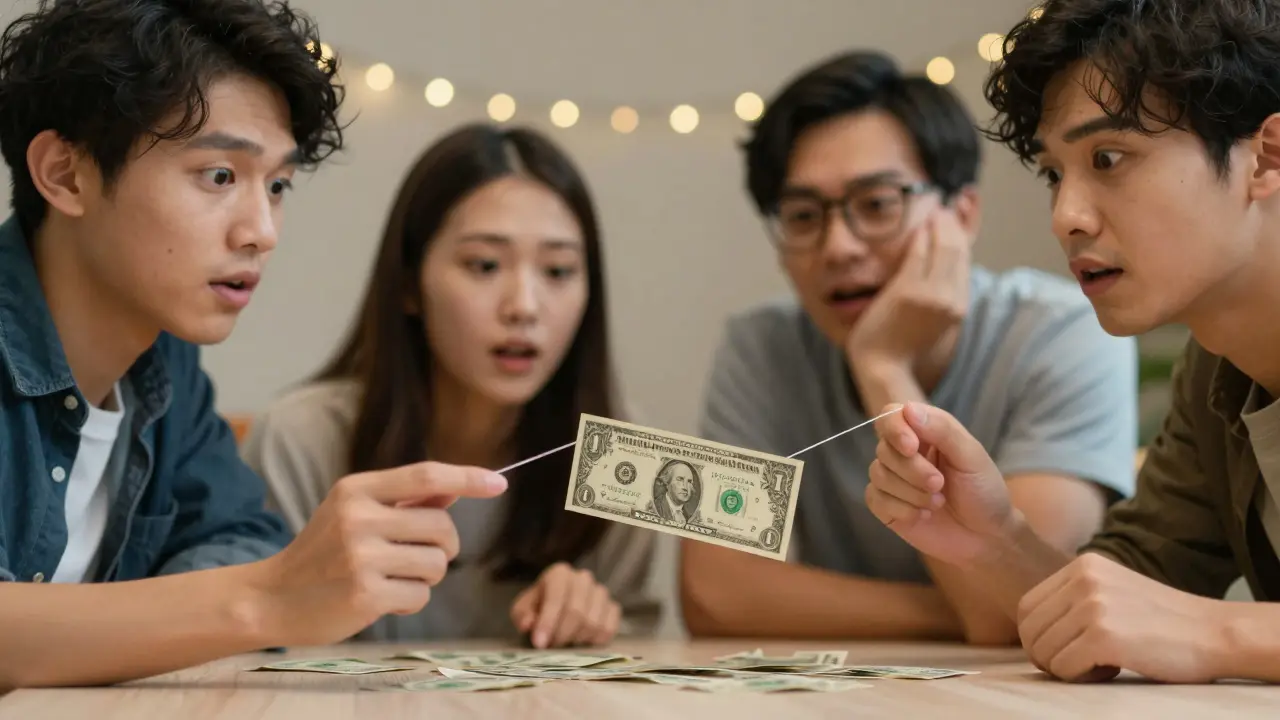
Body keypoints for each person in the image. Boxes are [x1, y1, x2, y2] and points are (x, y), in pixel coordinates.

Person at [0, 0, 508, 690]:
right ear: (65, 173)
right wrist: (266, 598)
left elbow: (240, 536)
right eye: (219, 177)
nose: (262, 230)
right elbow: (256, 578)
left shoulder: (162, 364)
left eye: (277, 185)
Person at [867, 0, 1280, 684]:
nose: (1066, 218)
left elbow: (1182, 627)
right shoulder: (1218, 369)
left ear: (1265, 158)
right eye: (1056, 174)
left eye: (1109, 158)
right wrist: (993, 539)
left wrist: (1216, 632)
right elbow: (1114, 608)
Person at [680, 50, 1139, 644]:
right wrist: (970, 609)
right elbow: (715, 593)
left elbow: (1037, 600)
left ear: (962, 214)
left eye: (877, 205)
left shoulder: (1063, 331)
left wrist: (882, 365)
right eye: (801, 215)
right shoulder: (760, 344)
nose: (839, 246)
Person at [240, 122, 662, 650]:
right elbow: (250, 651)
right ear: (411, 286)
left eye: (558, 271)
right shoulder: (299, 441)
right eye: (484, 265)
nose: (524, 306)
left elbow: (639, 659)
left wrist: (594, 622)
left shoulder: (626, 458)